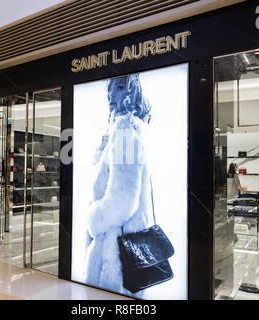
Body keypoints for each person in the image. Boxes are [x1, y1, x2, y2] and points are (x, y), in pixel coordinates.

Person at [84, 74, 152, 296]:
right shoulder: (119, 129)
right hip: (117, 244)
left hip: (116, 251)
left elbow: (122, 202)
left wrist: (93, 219)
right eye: (110, 89)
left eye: (120, 87)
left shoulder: (125, 129)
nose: (112, 94)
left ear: (132, 92)